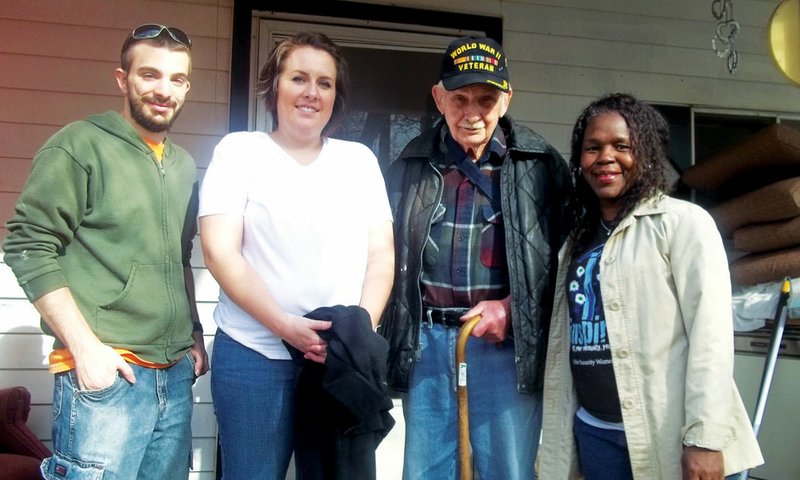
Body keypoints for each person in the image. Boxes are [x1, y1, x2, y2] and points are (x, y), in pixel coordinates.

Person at [3, 24, 208, 479]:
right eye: (149, 75)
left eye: (176, 79)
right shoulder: (78, 145)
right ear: (122, 79)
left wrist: (193, 332)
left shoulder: (182, 166)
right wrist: (86, 349)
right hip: (107, 376)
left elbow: (179, 256)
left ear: (187, 87)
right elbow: (28, 244)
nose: (163, 90)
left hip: (173, 375)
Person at [198, 31, 394, 480]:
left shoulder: (359, 161)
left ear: (336, 96)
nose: (311, 92)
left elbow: (381, 258)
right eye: (299, 78)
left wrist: (353, 336)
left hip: (336, 362)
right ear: (275, 86)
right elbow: (219, 252)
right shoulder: (240, 152)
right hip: (254, 355)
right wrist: (285, 326)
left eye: (324, 83)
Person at [538, 93, 763, 479]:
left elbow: (711, 338)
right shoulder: (576, 237)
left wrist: (705, 439)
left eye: (621, 146)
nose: (605, 157)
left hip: (664, 433)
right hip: (593, 429)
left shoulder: (682, 224)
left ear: (644, 153)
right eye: (593, 148)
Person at [381, 36, 572, 479]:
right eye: (460, 98)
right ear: (438, 98)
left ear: (506, 100)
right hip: (426, 344)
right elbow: (384, 258)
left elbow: (568, 261)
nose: (472, 113)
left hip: (506, 347)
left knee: (506, 470)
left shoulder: (540, 164)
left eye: (486, 99)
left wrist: (513, 309)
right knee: (427, 471)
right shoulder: (409, 164)